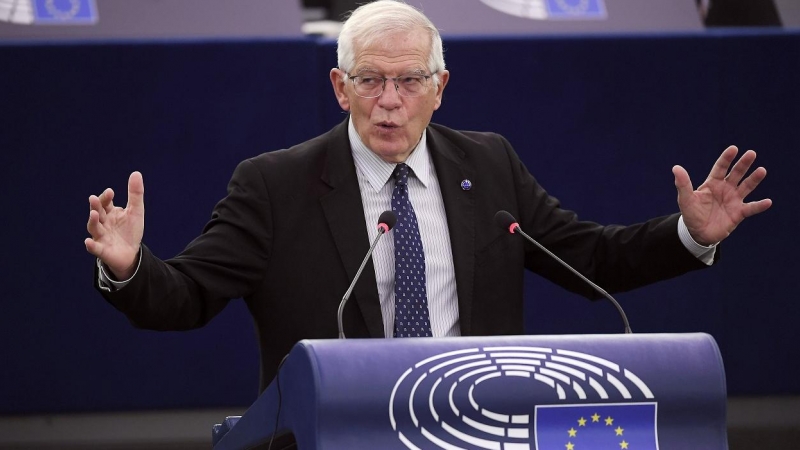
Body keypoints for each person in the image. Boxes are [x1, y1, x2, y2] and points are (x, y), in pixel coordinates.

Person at [85, 0, 771, 392]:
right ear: (339, 87)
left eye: (410, 80)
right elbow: (185, 297)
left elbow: (590, 259)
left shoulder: (488, 164)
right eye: (370, 80)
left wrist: (690, 236)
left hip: (475, 426)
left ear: (440, 88)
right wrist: (128, 268)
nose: (389, 101)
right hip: (334, 432)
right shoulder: (273, 184)